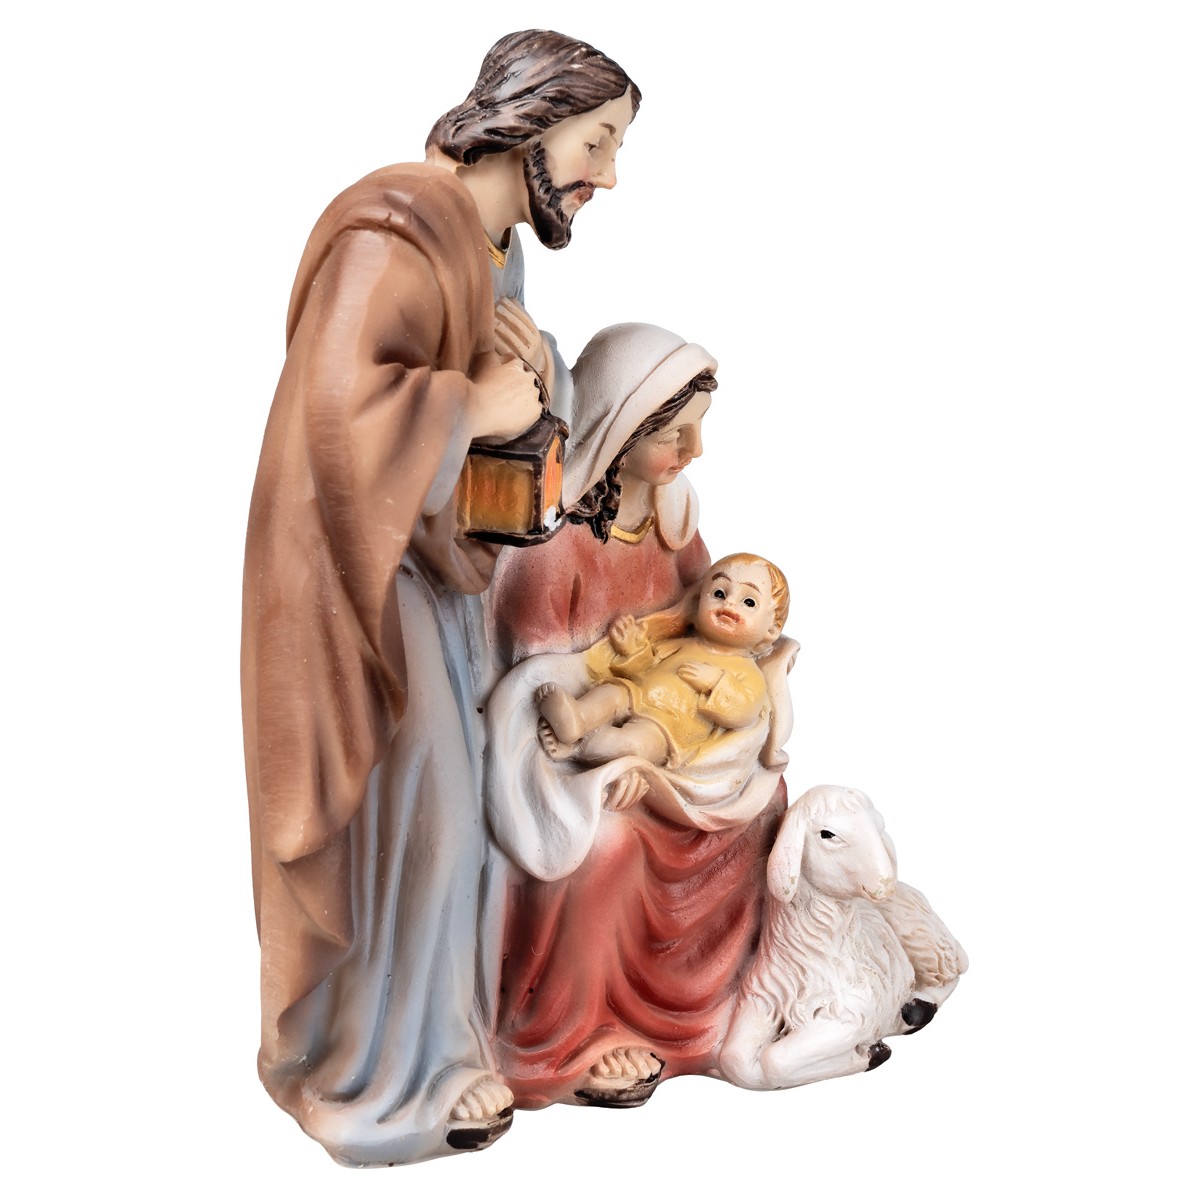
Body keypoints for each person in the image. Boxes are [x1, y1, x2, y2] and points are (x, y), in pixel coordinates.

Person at [241, 31, 639, 1166]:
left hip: (437, 567)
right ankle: (375, 1075)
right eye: (597, 142)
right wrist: (473, 403)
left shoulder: (491, 247)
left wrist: (532, 378)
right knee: (428, 809)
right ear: (530, 122)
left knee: (458, 817)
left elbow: (505, 391)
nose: (607, 177)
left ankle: (447, 1046)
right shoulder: (398, 224)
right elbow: (338, 415)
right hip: (355, 578)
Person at [484, 324, 795, 1110]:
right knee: (607, 846)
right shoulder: (553, 540)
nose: (694, 451)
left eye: (698, 430)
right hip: (567, 739)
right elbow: (533, 664)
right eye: (672, 435)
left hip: (672, 734)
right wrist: (614, 684)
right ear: (619, 432)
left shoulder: (670, 519)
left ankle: (731, 999)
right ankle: (578, 1032)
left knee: (764, 804)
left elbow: (718, 616)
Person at [534, 554, 791, 770]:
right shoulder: (684, 644)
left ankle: (577, 748)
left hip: (665, 730)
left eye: (748, 602)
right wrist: (632, 647)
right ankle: (577, 718)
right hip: (637, 694)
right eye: (719, 593)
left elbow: (743, 711)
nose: (729, 602)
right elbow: (648, 665)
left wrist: (715, 683)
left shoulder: (748, 672)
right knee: (610, 693)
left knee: (631, 745)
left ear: (772, 629)